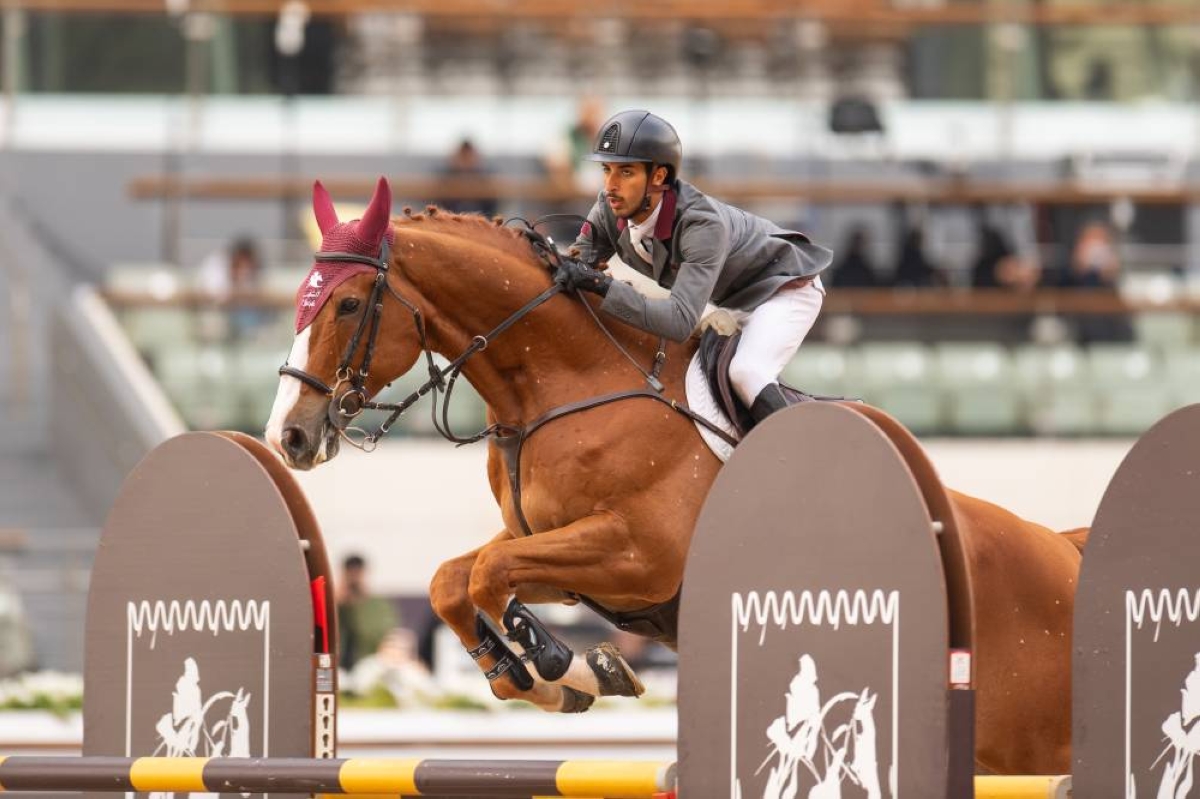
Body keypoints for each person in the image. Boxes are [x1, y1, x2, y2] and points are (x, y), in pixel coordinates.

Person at [557, 110, 832, 427]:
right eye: (606, 170)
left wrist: (603, 286)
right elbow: (577, 266)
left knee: (747, 372)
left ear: (658, 177)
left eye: (626, 172)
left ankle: (805, 457)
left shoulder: (700, 225)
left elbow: (677, 322)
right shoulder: (610, 208)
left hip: (783, 290)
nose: (610, 185)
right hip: (730, 301)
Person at [336, 554, 400, 672]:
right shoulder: (335, 605)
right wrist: (340, 603)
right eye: (350, 574)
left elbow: (383, 636)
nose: (354, 579)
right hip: (338, 666)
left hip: (370, 666)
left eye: (358, 573)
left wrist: (358, 605)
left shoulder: (379, 605)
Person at [439, 138, 498, 218]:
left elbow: (493, 206)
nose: (466, 160)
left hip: (480, 223)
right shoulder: (446, 177)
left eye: (469, 156)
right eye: (463, 156)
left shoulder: (484, 178)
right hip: (451, 222)